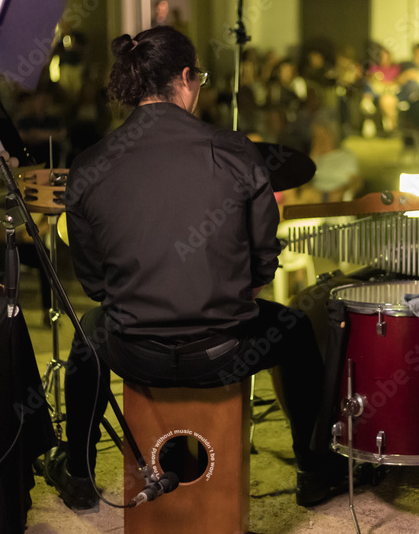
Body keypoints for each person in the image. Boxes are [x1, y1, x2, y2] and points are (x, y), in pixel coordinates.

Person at [44, 25, 345, 511]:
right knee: (294, 328)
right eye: (199, 79)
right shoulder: (235, 152)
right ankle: (314, 470)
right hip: (225, 352)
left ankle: (77, 473)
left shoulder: (89, 165)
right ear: (185, 78)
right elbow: (264, 263)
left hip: (134, 352)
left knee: (90, 334)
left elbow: (95, 283)